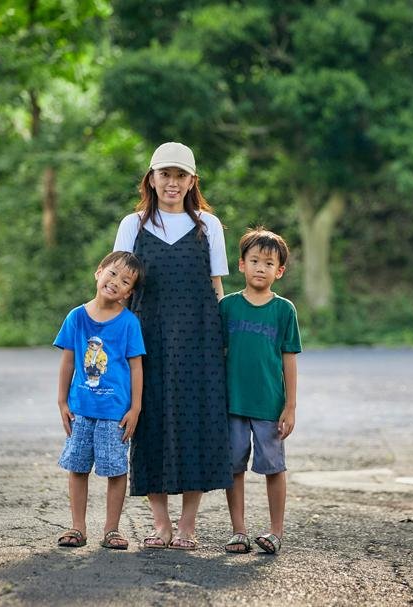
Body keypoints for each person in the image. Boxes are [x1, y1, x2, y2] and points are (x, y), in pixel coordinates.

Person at [113, 141, 232, 550]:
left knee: (197, 422)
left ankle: (187, 525)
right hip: (147, 338)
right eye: (165, 174)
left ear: (192, 181)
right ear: (152, 178)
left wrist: (225, 342)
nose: (172, 183)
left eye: (181, 176)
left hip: (200, 339)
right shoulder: (133, 225)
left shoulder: (207, 226)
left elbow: (217, 289)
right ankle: (160, 523)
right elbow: (119, 288)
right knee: (149, 423)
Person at [54, 251, 146, 550]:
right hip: (81, 409)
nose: (115, 282)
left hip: (115, 413)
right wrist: (62, 401)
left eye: (125, 281)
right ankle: (77, 528)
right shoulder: (76, 317)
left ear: (129, 292)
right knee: (77, 467)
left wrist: (135, 408)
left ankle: (111, 530)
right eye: (112, 273)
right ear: (99, 272)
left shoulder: (129, 323)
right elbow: (68, 362)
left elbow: (135, 367)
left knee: (115, 469)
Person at [220, 227, 301, 555]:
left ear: (279, 271)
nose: (260, 268)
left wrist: (290, 406)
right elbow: (217, 355)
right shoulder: (226, 307)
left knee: (273, 467)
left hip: (269, 405)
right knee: (233, 466)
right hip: (233, 403)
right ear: (241, 265)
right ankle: (238, 530)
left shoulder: (284, 310)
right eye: (254, 261)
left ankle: (275, 532)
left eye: (268, 263)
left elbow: (289, 360)